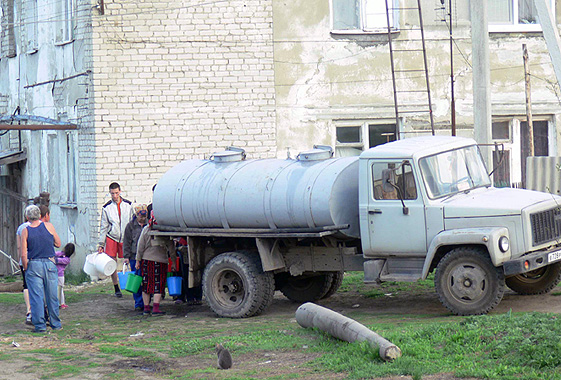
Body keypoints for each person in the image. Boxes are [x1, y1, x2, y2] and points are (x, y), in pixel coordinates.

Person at [20, 205, 62, 333]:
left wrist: (26, 267)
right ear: (39, 215)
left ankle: (40, 326)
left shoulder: (25, 231)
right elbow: (58, 243)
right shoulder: (49, 226)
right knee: (52, 295)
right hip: (49, 262)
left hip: (34, 264)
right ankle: (56, 324)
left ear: (27, 217)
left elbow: (23, 254)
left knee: (36, 296)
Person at [135, 213, 176, 316]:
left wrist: (138, 260)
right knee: (158, 284)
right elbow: (171, 248)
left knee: (146, 284)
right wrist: (174, 262)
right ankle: (156, 308)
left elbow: (140, 246)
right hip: (161, 261)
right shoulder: (165, 231)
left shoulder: (146, 230)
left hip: (147, 260)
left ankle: (146, 308)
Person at [98, 182, 134, 298]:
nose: (114, 196)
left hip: (125, 236)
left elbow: (132, 222)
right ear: (110, 193)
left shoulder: (128, 205)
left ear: (120, 192)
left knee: (129, 259)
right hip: (112, 236)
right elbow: (103, 226)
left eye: (116, 193)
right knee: (112, 262)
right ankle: (116, 286)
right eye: (112, 193)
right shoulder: (106, 208)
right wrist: (101, 243)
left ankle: (132, 284)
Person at [123, 204, 148, 312]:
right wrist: (126, 256)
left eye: (144, 216)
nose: (143, 218)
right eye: (141, 216)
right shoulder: (130, 226)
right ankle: (138, 303)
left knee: (147, 280)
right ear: (136, 215)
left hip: (147, 256)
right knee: (137, 280)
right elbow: (127, 242)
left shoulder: (149, 225)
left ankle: (147, 301)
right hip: (134, 256)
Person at [16, 215, 31, 325]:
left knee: (26, 285)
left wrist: (20, 259)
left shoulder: (21, 228)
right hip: (35, 259)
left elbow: (19, 247)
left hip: (24, 259)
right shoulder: (41, 226)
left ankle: (29, 309)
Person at [55, 243, 75, 309]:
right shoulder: (67, 259)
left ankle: (61, 303)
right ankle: (61, 303)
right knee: (60, 289)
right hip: (60, 275)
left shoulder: (66, 259)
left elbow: (56, 260)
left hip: (56, 274)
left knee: (58, 289)